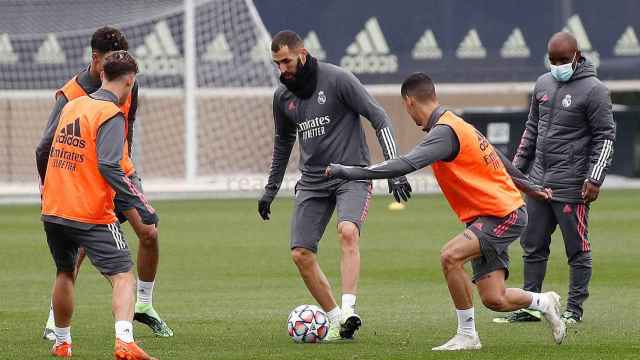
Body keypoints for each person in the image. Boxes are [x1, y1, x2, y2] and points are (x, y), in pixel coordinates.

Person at [326, 72, 566, 350]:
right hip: (488, 215)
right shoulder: (457, 123)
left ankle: (467, 335)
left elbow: (404, 164)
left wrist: (349, 171)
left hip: (503, 214)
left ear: (409, 103)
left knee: (450, 256)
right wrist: (530, 187)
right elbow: (500, 159)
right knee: (494, 299)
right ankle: (544, 302)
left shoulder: (445, 132)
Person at [258, 30, 412, 341]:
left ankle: (350, 307)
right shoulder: (282, 97)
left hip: (351, 175)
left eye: (286, 61)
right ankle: (336, 318)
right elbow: (282, 144)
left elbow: (379, 117)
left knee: (347, 231)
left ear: (302, 53)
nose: (281, 69)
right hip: (313, 182)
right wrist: (270, 189)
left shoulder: (338, 79)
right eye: (276, 63)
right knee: (300, 253)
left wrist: (396, 171)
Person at [35, 26, 173, 339]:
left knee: (149, 232)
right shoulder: (71, 95)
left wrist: (128, 173)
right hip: (84, 178)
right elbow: (45, 146)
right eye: (109, 61)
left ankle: (145, 305)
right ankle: (55, 321)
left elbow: (127, 129)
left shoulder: (126, 82)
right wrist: (51, 187)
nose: (115, 68)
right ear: (95, 59)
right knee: (79, 246)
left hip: (119, 172)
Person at [495, 32, 616, 325]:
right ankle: (532, 305)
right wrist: (516, 171)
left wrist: (595, 178)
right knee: (532, 245)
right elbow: (531, 130)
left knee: (577, 249)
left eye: (563, 60)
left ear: (577, 56)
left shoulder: (595, 90)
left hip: (572, 186)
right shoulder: (543, 84)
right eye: (552, 60)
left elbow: (606, 137)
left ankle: (574, 310)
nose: (557, 65)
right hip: (538, 183)